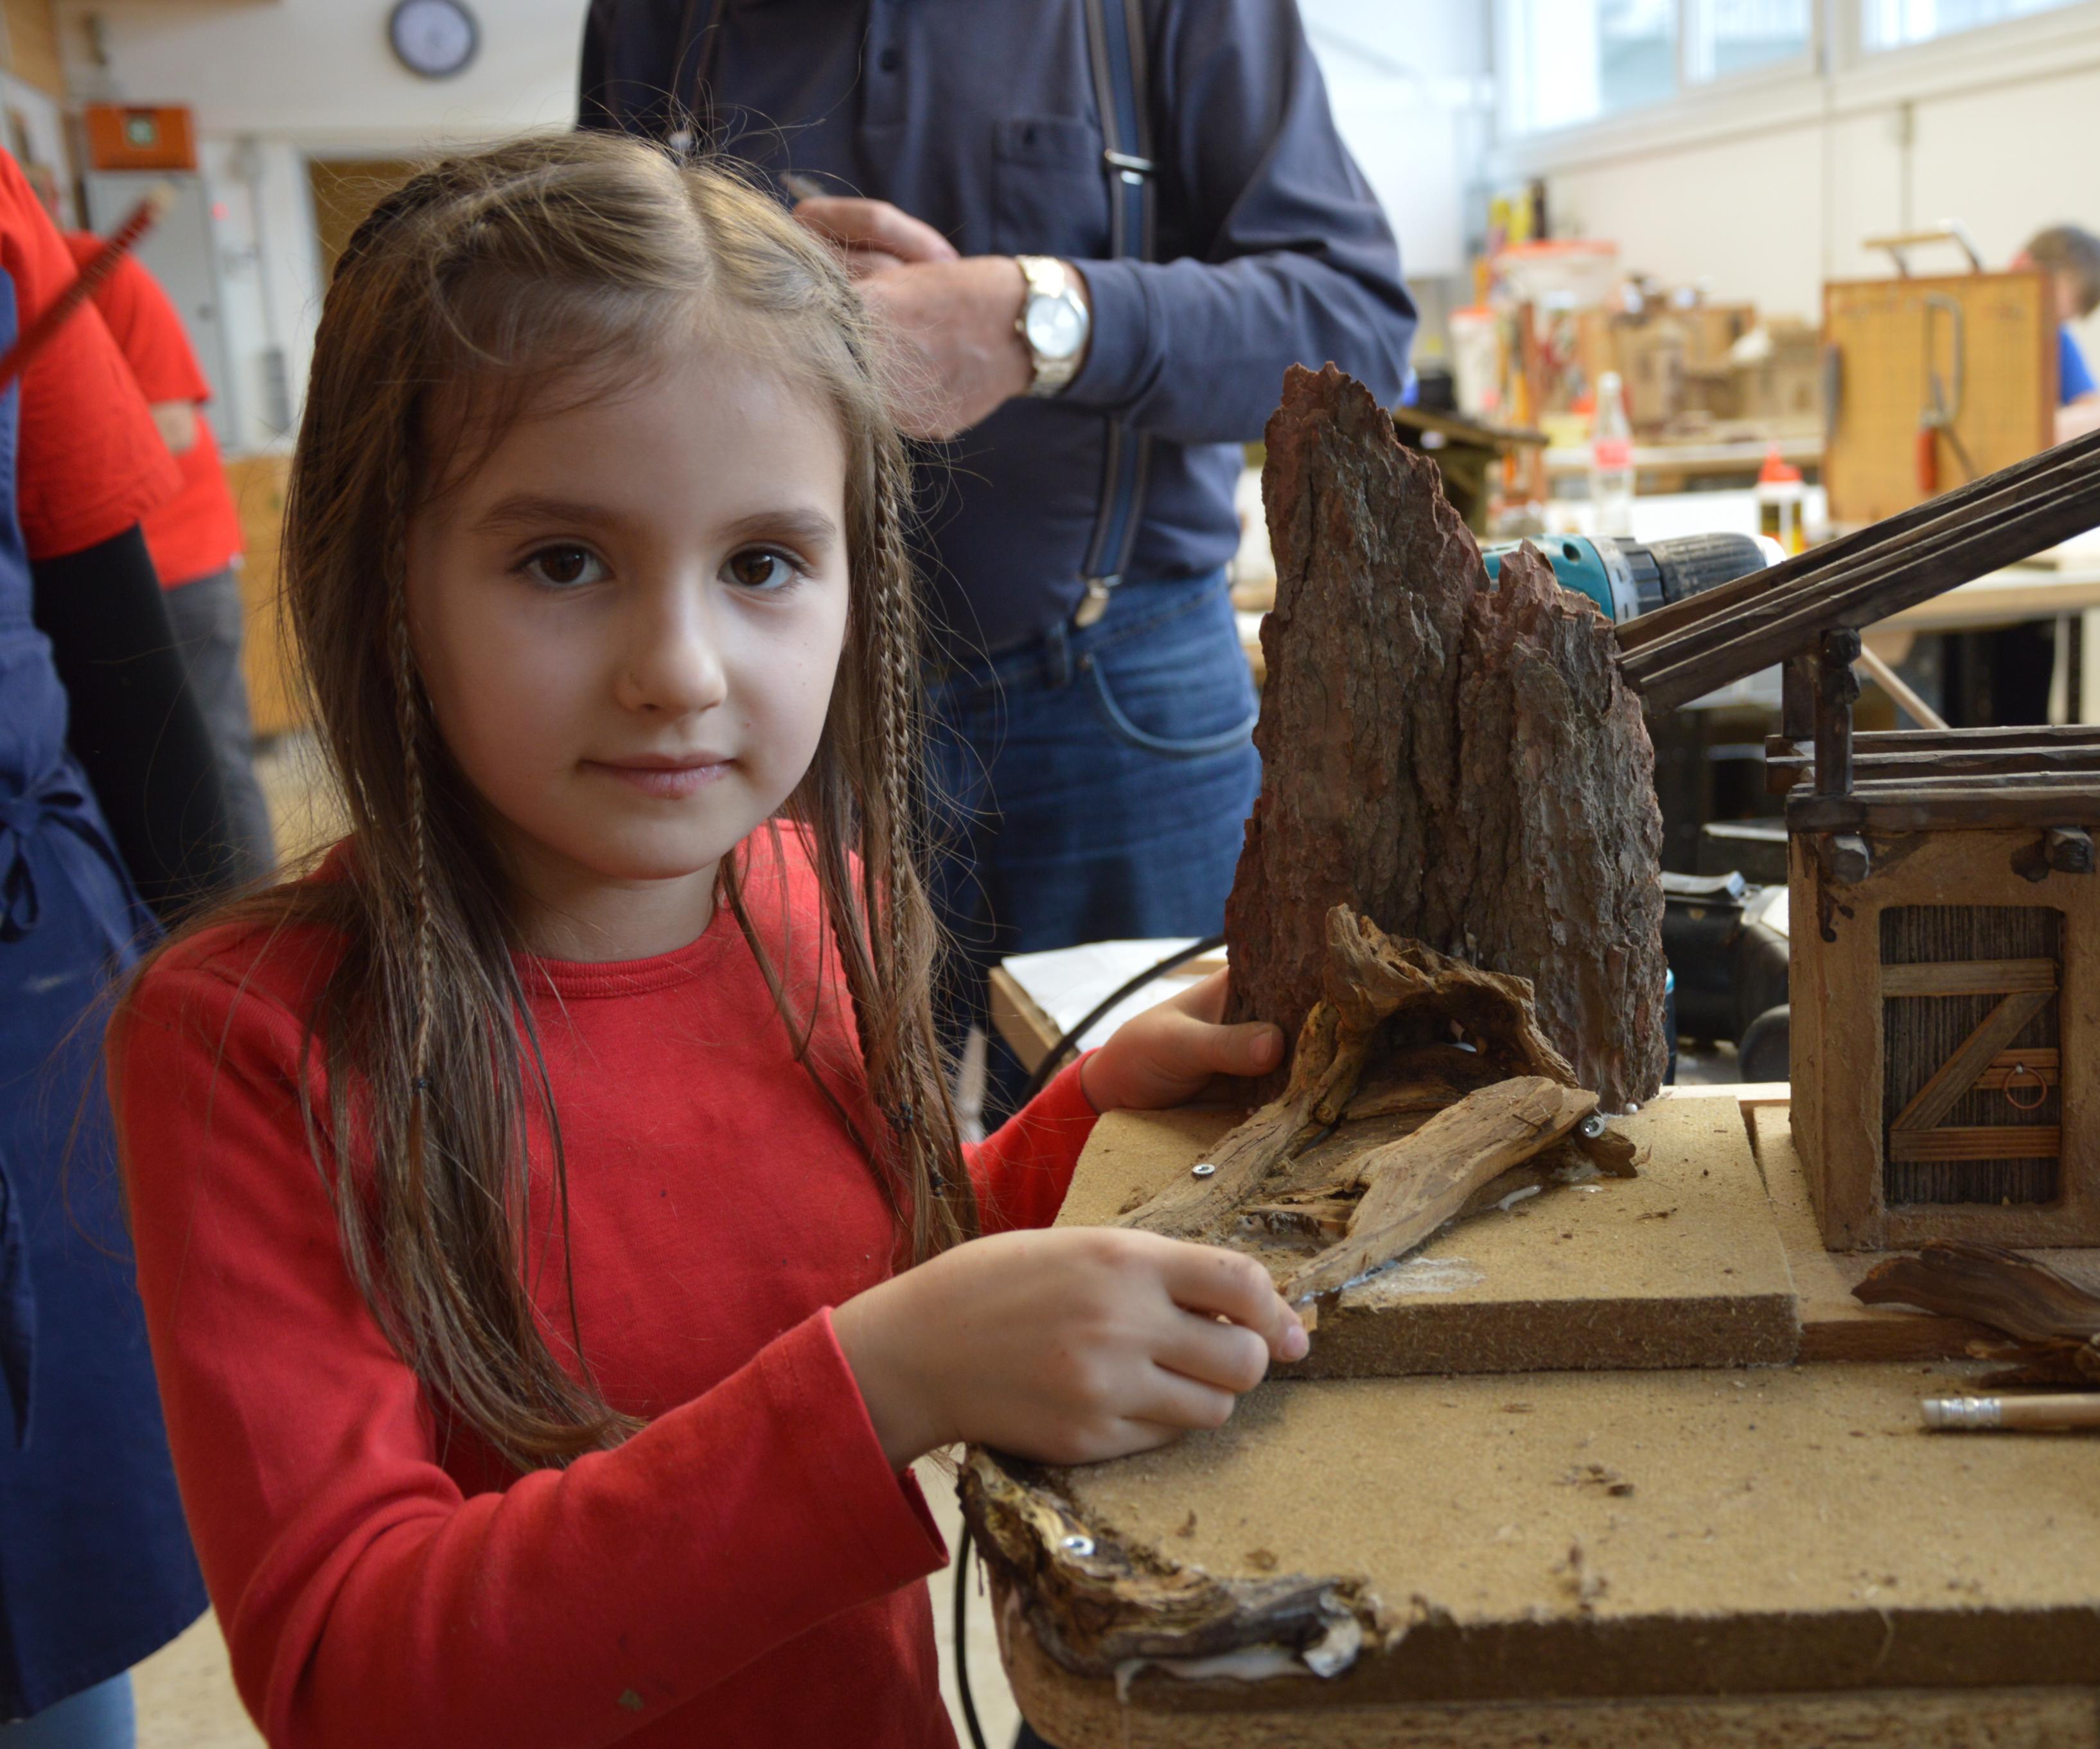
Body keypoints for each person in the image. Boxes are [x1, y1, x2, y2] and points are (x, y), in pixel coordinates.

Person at [110, 134, 1309, 1748]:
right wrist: (879, 1385)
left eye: (760, 563)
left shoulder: (811, 897)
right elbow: (349, 1670)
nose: (678, 667)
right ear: (383, 576)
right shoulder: (248, 1040)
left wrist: (1086, 1125)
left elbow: (841, 1267)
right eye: (562, 561)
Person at [578, 0, 1416, 1114]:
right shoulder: (654, 18)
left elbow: (1357, 331)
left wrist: (1039, 315)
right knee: (788, 1157)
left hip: (1122, 709)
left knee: (1178, 1153)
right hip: (766, 714)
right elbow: (602, 337)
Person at [0, 150, 220, 1748]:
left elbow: (117, 635)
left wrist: (241, 1001)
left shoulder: (15, 223)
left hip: (21, 979)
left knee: (44, 1547)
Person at [64, 229, 273, 884]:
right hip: (84, 573)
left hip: (177, 565)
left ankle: (253, 930)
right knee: (123, 770)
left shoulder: (97, 270)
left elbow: (173, 425)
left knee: (212, 758)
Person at [2015, 224, 2100, 442]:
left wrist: (2039, 429)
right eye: (2048, 309)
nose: (2048, 326)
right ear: (2021, 265)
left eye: (2060, 320)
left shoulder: (2056, 339)